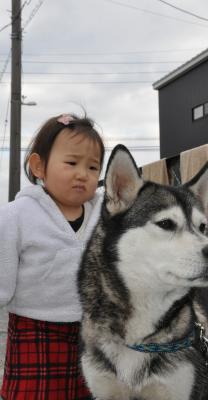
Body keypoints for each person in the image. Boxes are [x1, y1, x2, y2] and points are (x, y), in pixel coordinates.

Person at [0, 113, 105, 400]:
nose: (83, 173)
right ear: (39, 166)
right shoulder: (15, 216)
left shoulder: (105, 217)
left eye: (93, 167)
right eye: (71, 163)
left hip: (95, 332)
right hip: (35, 332)